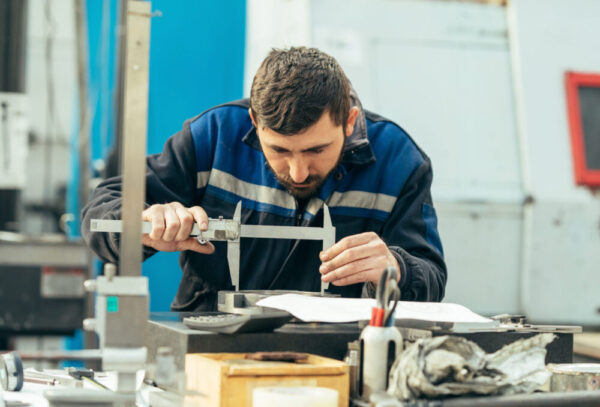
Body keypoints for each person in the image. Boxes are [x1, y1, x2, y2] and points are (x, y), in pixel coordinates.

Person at [82, 47, 446, 311]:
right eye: (281, 151)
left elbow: (431, 276)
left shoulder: (399, 160)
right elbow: (101, 212)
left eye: (316, 150)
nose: (298, 172)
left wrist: (396, 267)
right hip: (212, 348)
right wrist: (144, 223)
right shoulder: (213, 136)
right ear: (255, 123)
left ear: (349, 122)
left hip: (340, 357)